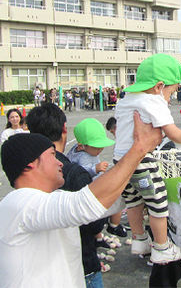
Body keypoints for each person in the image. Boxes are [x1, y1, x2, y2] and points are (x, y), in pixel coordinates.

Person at [0, 112, 162, 287]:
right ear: (30, 165)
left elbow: (108, 202)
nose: (59, 162)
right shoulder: (17, 205)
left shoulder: (52, 198)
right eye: (51, 155)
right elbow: (84, 205)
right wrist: (139, 149)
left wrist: (146, 189)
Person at [113, 53, 181, 264]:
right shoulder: (152, 101)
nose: (171, 96)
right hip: (141, 161)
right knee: (157, 201)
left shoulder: (127, 99)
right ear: (159, 86)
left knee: (133, 201)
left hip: (120, 161)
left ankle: (139, 239)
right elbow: (171, 131)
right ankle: (161, 247)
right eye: (173, 90)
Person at [24, 103, 113, 287]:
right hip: (80, 264)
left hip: (42, 265)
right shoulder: (74, 173)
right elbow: (94, 221)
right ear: (65, 129)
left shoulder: (25, 171)